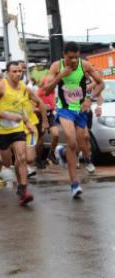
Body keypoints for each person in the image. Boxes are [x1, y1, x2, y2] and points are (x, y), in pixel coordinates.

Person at [43, 42, 104, 198]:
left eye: (76, 57)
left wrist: (89, 99)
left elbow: (101, 84)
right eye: (70, 58)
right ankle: (74, 184)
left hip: (81, 109)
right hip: (65, 109)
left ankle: (62, 153)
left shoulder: (84, 65)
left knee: (81, 140)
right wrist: (61, 75)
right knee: (71, 141)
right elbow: (46, 90)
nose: (74, 61)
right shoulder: (56, 66)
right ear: (64, 56)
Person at [0, 61, 42, 206]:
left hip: (17, 129)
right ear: (7, 73)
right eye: (14, 71)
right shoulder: (1, 87)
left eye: (20, 71)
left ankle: (23, 190)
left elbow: (21, 108)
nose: (18, 74)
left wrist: (28, 122)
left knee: (22, 158)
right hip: (0, 131)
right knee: (7, 163)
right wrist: (8, 117)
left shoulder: (24, 88)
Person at [36, 75, 59, 166]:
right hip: (40, 115)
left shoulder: (54, 90)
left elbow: (54, 101)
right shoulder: (39, 91)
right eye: (49, 83)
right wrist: (42, 107)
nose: (52, 84)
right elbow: (34, 104)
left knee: (56, 134)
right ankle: (38, 159)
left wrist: (53, 107)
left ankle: (51, 153)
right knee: (40, 140)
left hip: (50, 114)